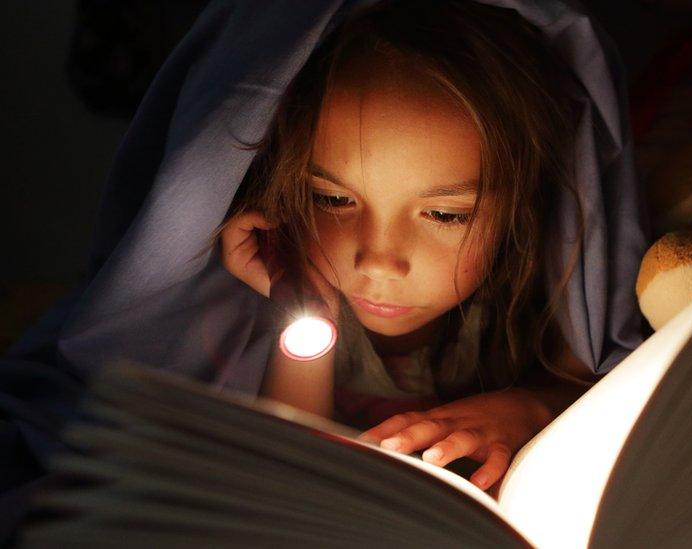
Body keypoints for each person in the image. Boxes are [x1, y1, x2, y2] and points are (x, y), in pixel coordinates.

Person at [0, 0, 645, 534]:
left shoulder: (537, 291)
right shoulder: (257, 300)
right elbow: (290, 460)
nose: (377, 259)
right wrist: (303, 303)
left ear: (522, 209)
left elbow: (589, 381)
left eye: (446, 215)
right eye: (334, 200)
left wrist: (526, 408)